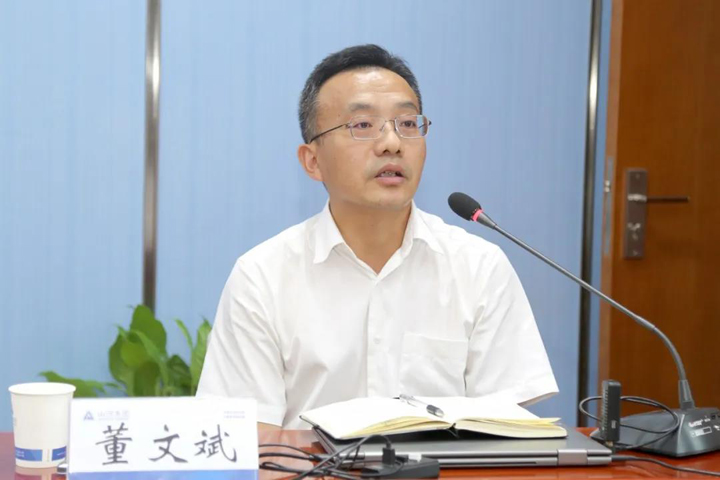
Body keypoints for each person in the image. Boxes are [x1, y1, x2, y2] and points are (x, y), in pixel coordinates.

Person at [197, 44, 558, 431]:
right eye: (363, 125)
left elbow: (504, 430)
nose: (392, 143)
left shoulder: (478, 267)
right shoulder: (262, 277)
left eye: (408, 124)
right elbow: (248, 436)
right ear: (313, 161)